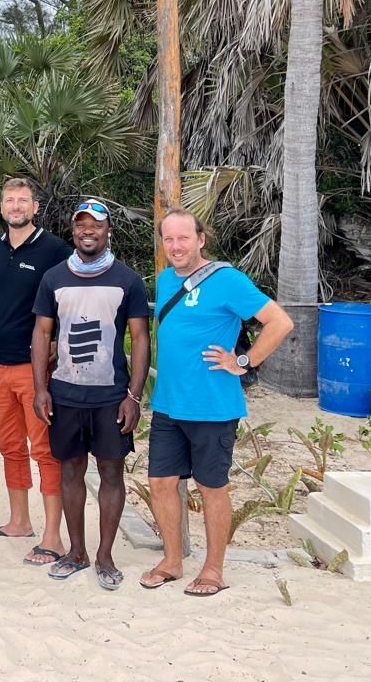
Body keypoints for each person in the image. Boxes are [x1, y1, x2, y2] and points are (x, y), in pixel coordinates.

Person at [140, 208, 294, 596]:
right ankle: (173, 560)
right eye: (169, 239)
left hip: (212, 406)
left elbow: (280, 322)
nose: (175, 246)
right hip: (168, 405)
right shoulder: (164, 280)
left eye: (183, 238)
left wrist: (244, 361)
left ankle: (212, 569)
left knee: (212, 486)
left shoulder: (227, 280)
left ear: (201, 239)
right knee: (160, 483)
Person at [31, 199, 150, 589]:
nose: (88, 231)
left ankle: (105, 556)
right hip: (65, 394)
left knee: (112, 472)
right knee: (69, 472)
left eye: (96, 225)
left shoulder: (127, 280)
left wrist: (133, 396)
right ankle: (77, 552)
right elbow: (42, 334)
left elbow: (140, 338)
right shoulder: (53, 278)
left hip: (110, 397)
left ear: (108, 230)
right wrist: (40, 388)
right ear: (73, 230)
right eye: (81, 224)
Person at [0, 178, 72, 566]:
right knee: (9, 446)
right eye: (9, 200)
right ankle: (19, 521)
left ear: (35, 207)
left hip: (35, 370)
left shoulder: (55, 250)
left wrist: (57, 343)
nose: (16, 206)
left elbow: (69, 299)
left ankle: (53, 536)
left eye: (23, 201)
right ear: (2, 207)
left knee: (46, 451)